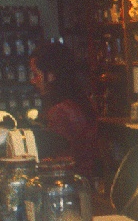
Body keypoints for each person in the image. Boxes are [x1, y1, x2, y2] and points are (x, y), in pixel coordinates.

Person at [28, 40, 100, 180]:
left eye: (36, 74)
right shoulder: (81, 101)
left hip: (69, 184)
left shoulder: (59, 112)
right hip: (87, 182)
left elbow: (58, 163)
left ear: (51, 76)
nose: (33, 80)